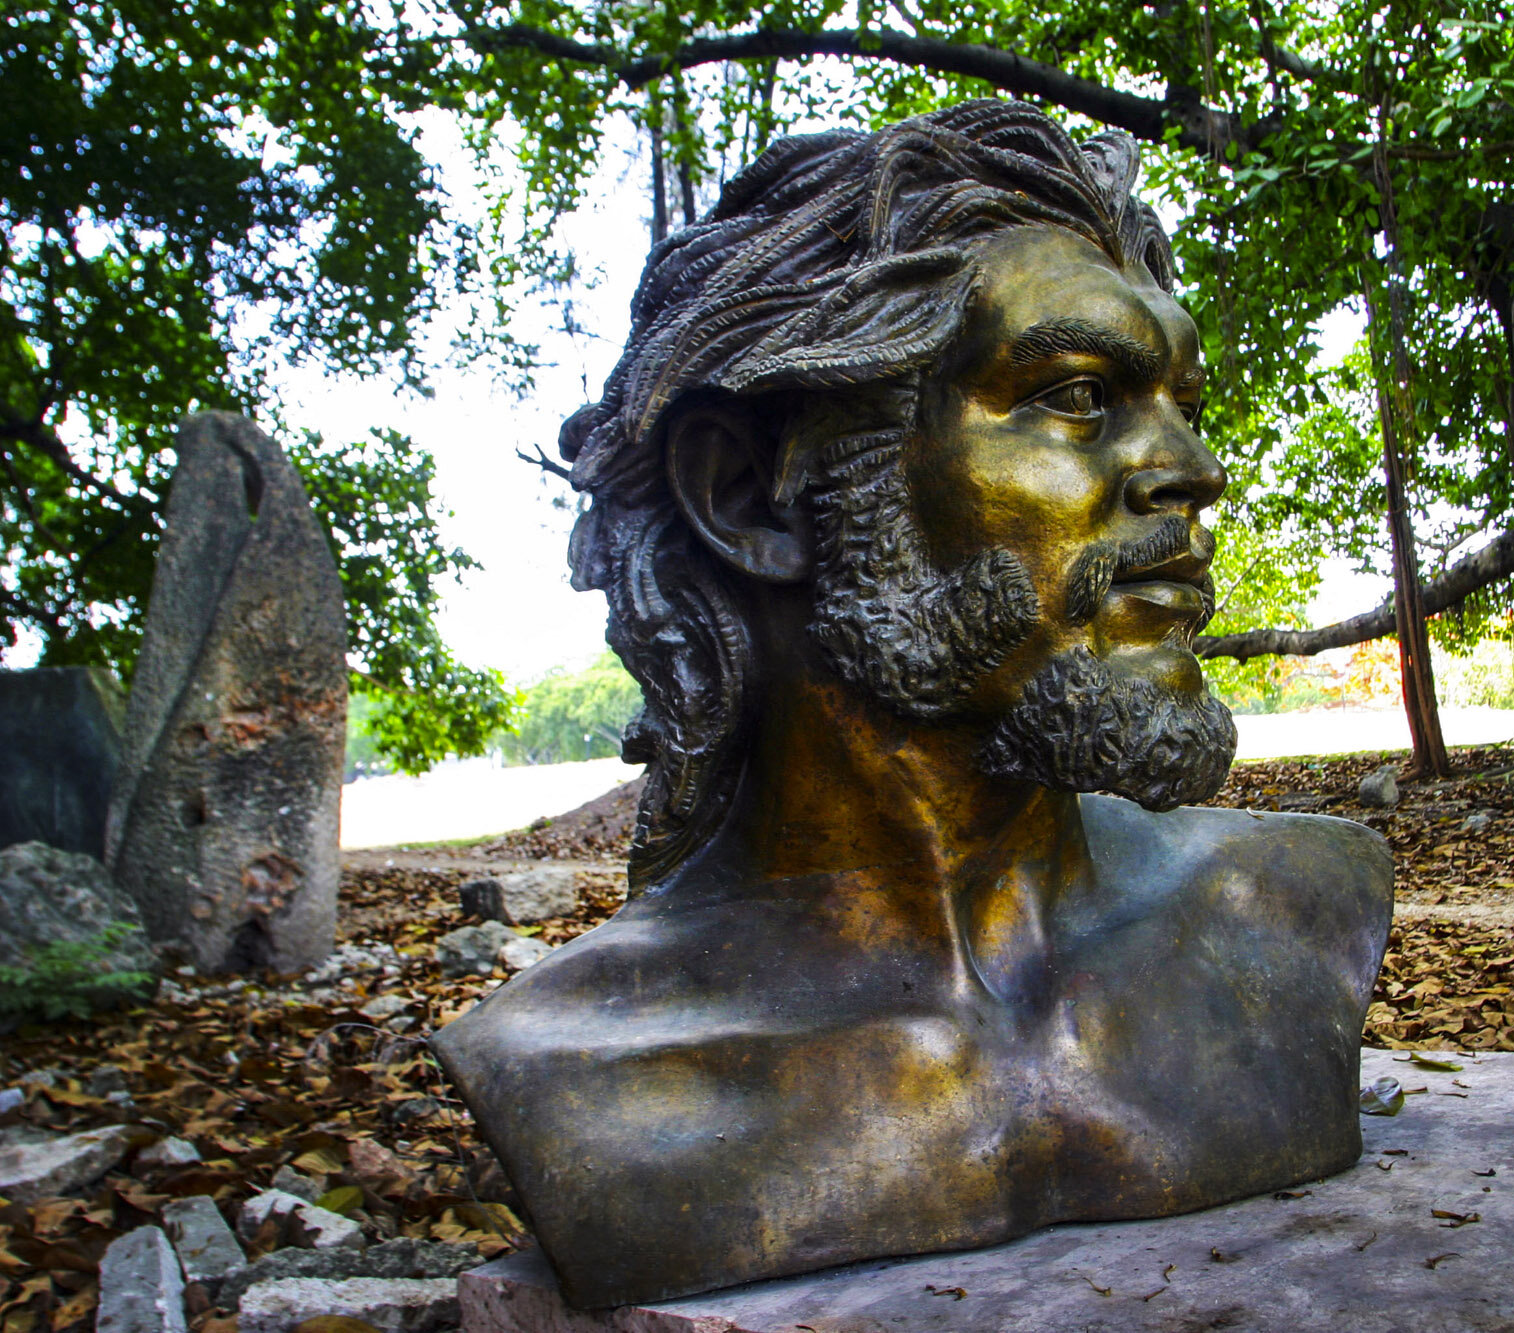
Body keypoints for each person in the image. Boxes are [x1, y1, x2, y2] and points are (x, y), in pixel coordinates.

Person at [432, 100, 1393, 1311]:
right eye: (1076, 395)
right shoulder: (582, 1076)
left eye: (1182, 404)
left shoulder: (1292, 915)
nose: (1194, 472)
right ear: (750, 497)